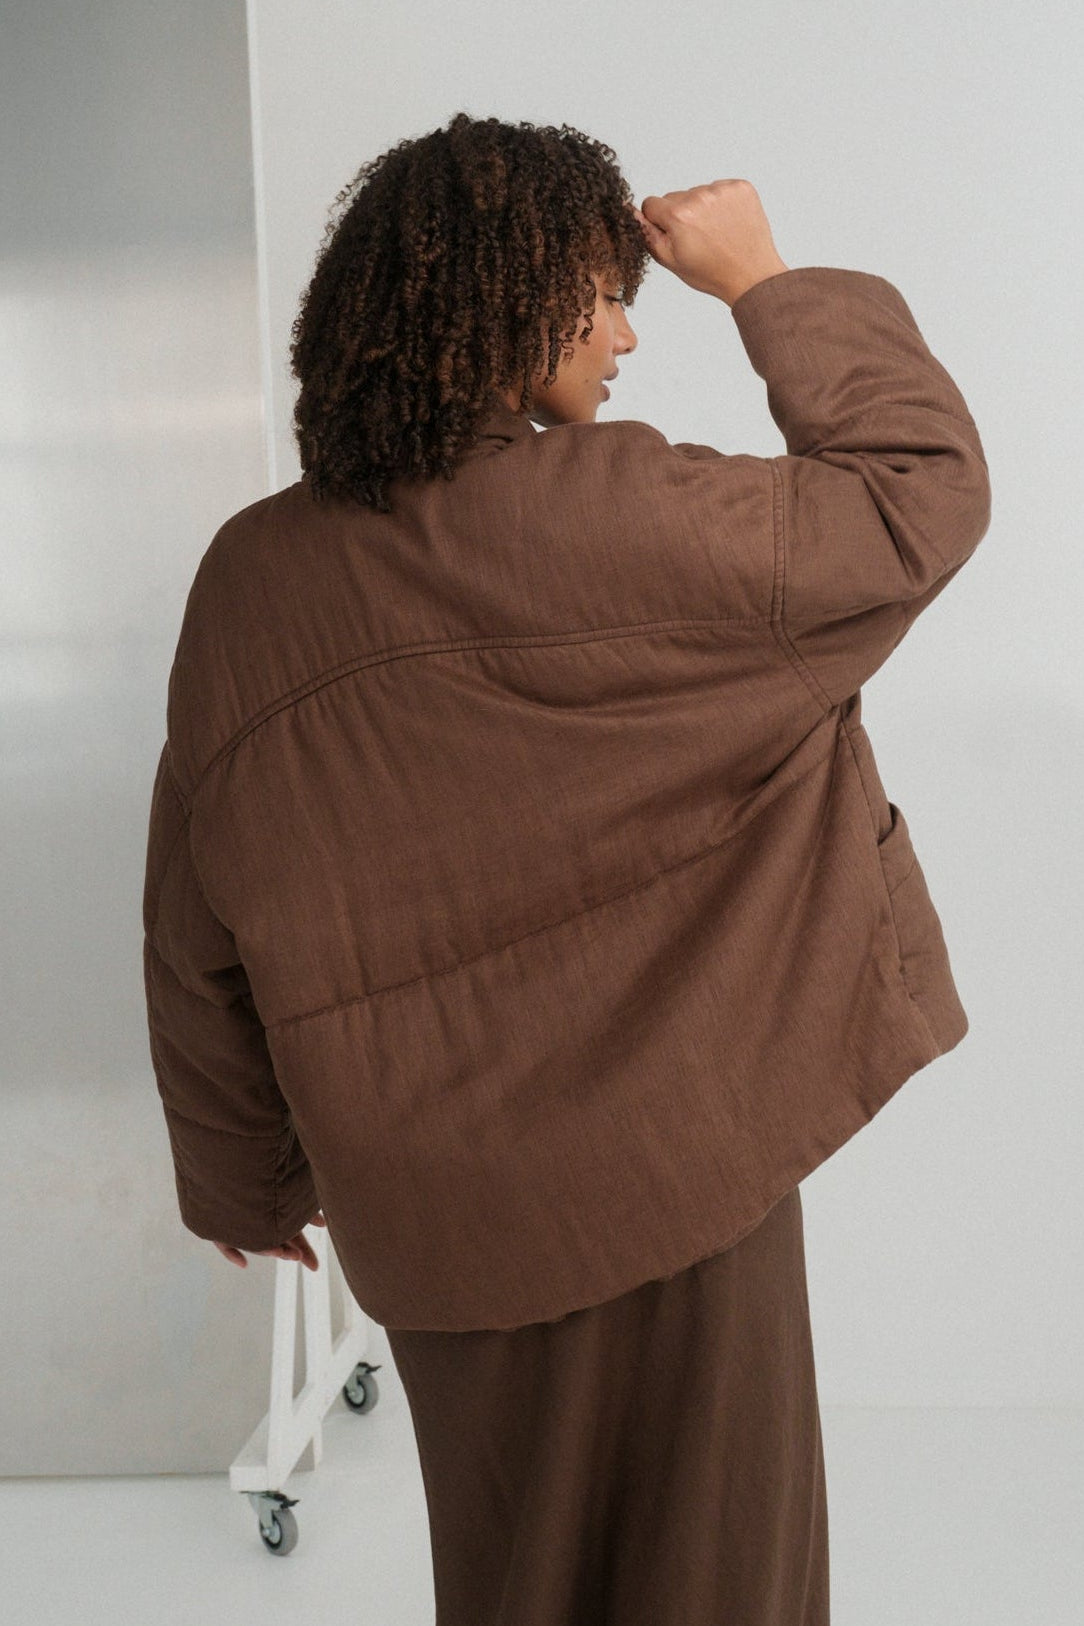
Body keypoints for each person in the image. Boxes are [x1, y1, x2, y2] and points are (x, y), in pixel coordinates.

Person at [142, 112, 991, 1623]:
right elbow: (917, 490)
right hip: (681, 1159)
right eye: (603, 295)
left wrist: (242, 1166)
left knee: (518, 1575)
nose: (623, 337)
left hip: (435, 1207)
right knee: (721, 1572)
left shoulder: (249, 576)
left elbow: (192, 912)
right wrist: (761, 281)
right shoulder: (637, 515)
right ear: (509, 298)